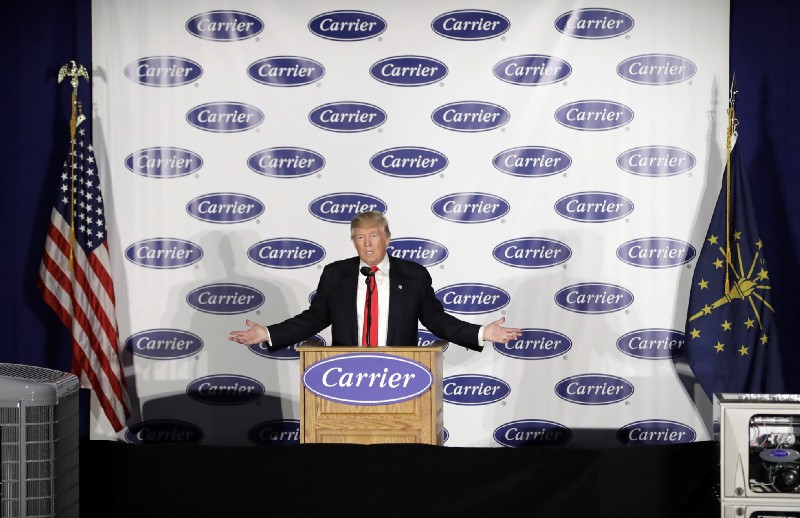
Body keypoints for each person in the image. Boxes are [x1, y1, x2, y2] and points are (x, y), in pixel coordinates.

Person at [228, 210, 522, 351]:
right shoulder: (336, 274)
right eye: (360, 238)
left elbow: (437, 320)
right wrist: (268, 333)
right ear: (353, 242)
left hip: (397, 375)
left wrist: (482, 332)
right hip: (345, 374)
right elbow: (314, 319)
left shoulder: (413, 276)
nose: (367, 245)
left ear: (387, 239)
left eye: (374, 236)